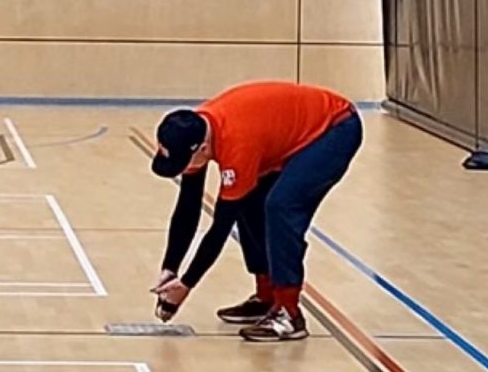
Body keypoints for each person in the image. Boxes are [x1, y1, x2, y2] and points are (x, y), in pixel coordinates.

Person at [148, 80, 362, 342]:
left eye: (181, 164)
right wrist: (170, 269)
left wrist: (186, 285)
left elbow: (219, 229)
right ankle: (266, 295)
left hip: (334, 129)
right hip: (286, 131)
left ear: (202, 150)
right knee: (249, 202)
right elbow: (187, 209)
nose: (182, 169)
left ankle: (289, 313)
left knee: (280, 207)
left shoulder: (236, 143)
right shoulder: (195, 132)